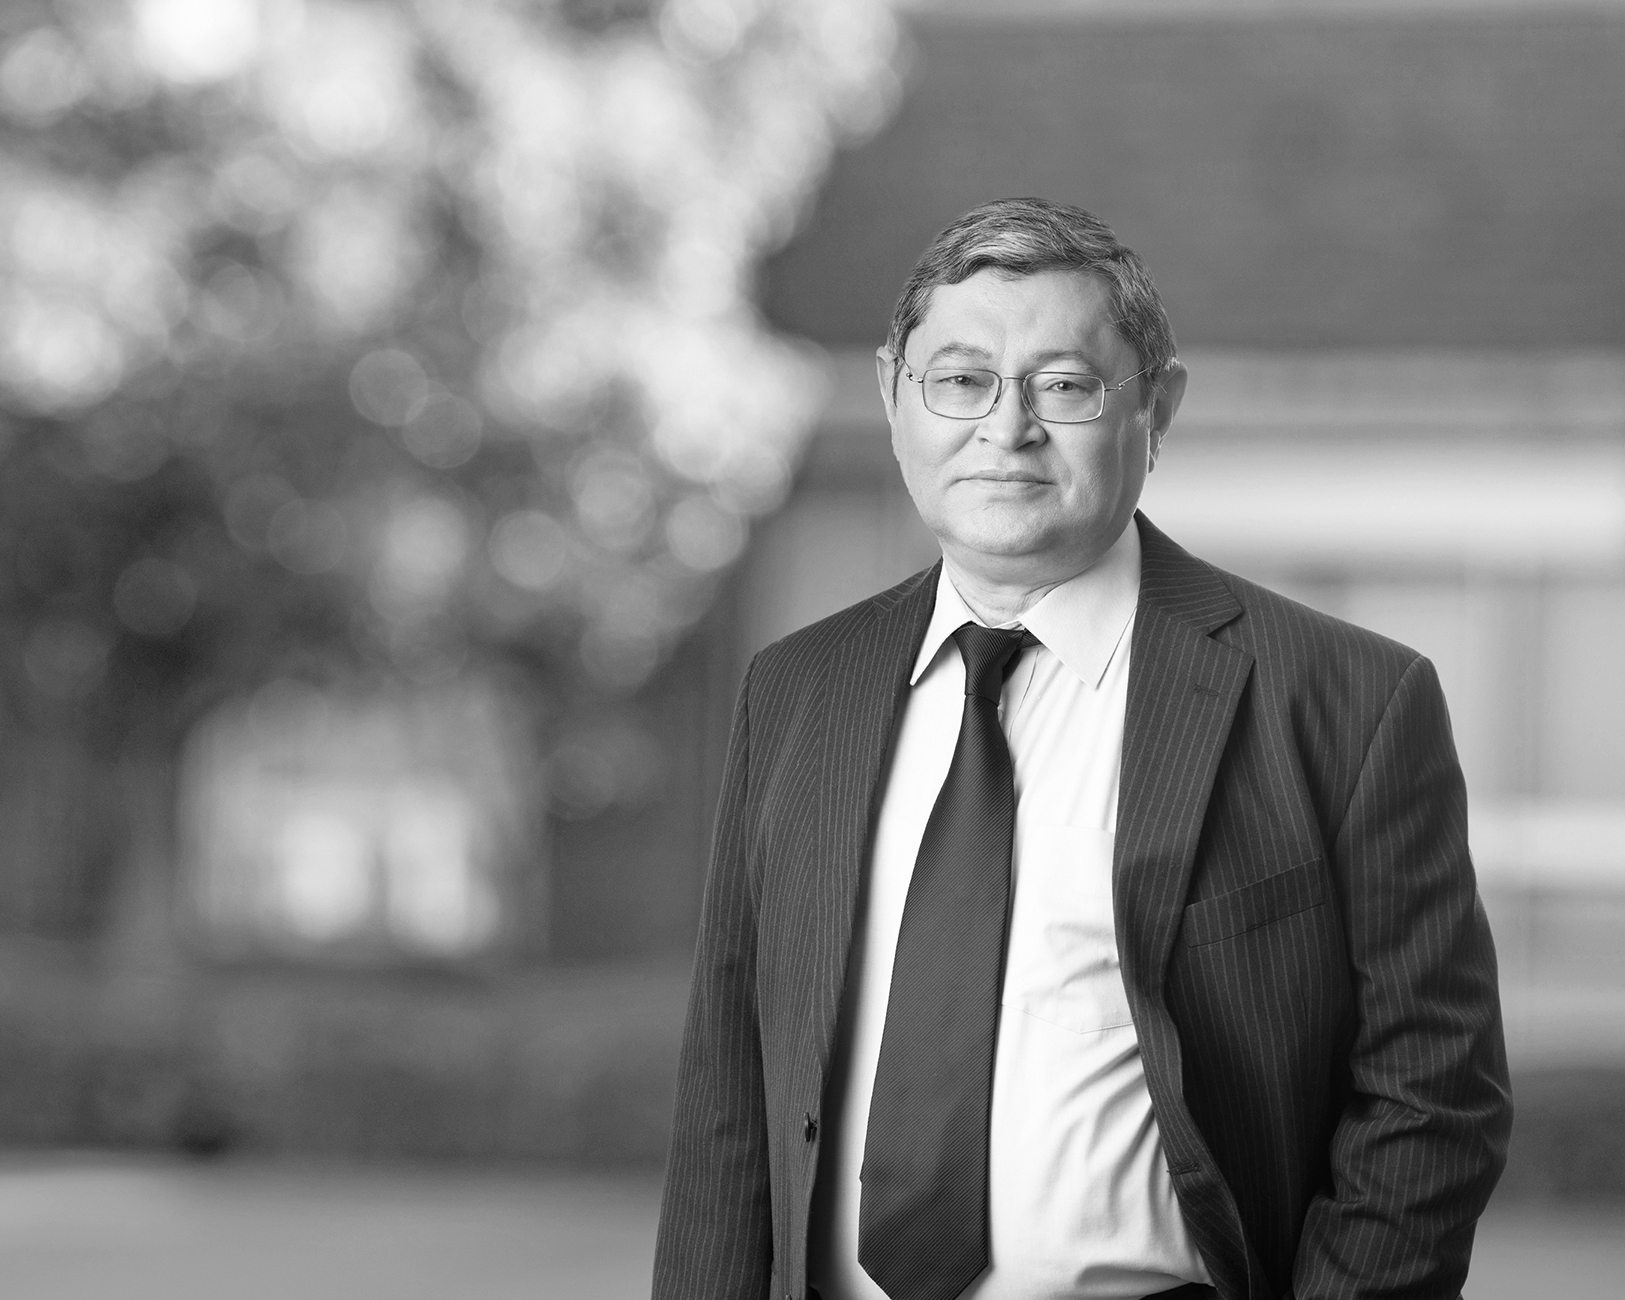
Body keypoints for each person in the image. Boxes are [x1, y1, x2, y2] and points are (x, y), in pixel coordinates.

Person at [652, 197, 1510, 1300]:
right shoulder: (797, 690)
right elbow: (727, 1098)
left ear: (1157, 407)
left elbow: (1430, 1095)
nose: (1004, 429)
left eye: (1063, 386)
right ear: (892, 396)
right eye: (960, 380)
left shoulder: (1345, 701)